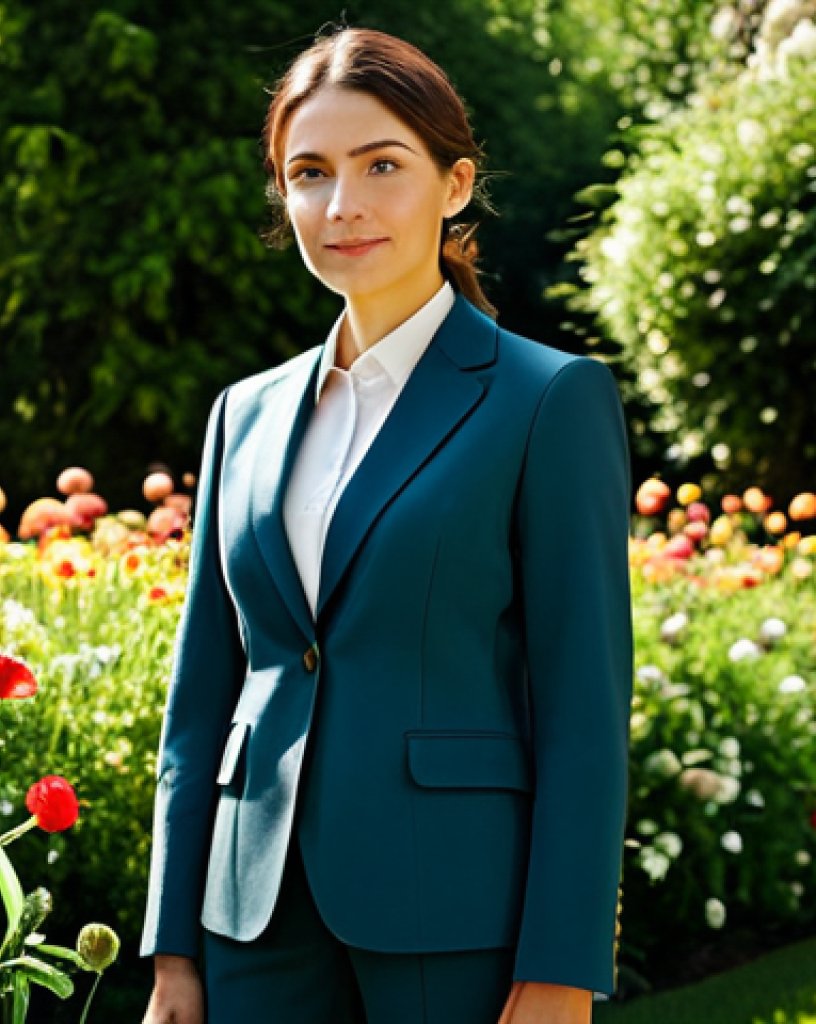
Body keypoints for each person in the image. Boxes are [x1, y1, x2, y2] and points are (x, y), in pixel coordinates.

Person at [139, 23, 633, 1024]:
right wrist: (171, 952)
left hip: (455, 916)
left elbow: (584, 707)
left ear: (454, 185)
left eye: (381, 165)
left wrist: (561, 966)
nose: (342, 205)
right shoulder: (243, 412)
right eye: (308, 172)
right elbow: (202, 699)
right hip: (251, 918)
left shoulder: (547, 400)